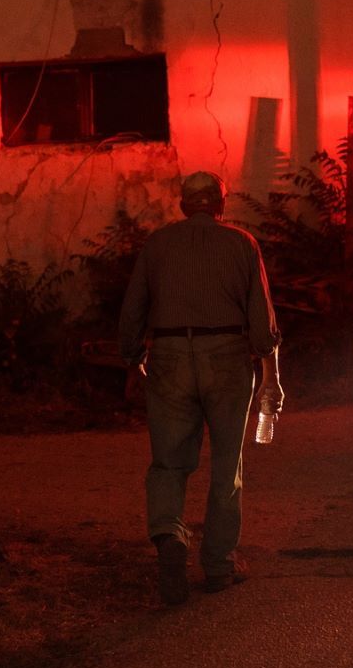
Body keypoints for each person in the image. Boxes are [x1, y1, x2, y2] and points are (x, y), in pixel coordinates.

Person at [119, 170, 283, 606]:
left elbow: (133, 309)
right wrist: (272, 377)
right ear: (221, 204)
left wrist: (134, 358)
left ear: (182, 205)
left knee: (170, 463)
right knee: (227, 464)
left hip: (170, 356)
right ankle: (218, 566)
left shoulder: (157, 246)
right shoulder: (241, 244)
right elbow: (262, 324)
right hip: (227, 355)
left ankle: (170, 534)